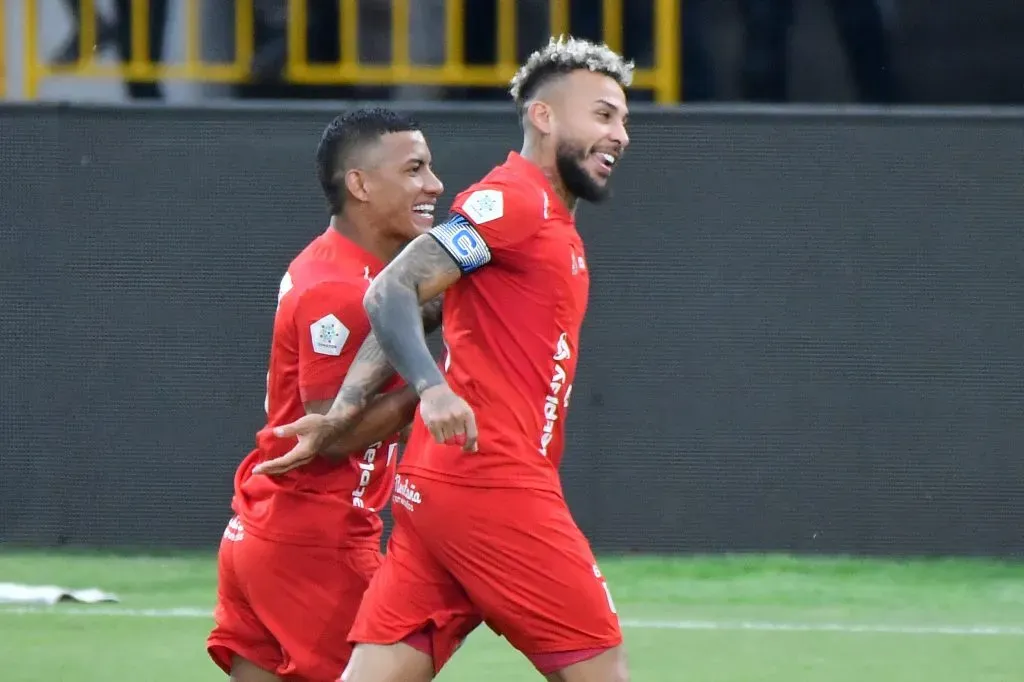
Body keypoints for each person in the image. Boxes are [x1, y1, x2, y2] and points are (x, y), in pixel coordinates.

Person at [263, 36, 633, 682]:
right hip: (493, 483)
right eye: (603, 115)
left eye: (624, 119)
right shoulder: (513, 201)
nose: (620, 134)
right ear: (543, 117)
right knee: (601, 667)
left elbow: (415, 303)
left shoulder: (546, 222)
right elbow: (391, 289)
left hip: (437, 491)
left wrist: (344, 411)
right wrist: (431, 387)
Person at [206, 107, 446, 682]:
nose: (434, 185)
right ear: (359, 185)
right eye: (414, 169)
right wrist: (438, 386)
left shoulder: (345, 267)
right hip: (316, 543)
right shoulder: (340, 288)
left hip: (262, 531)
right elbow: (330, 437)